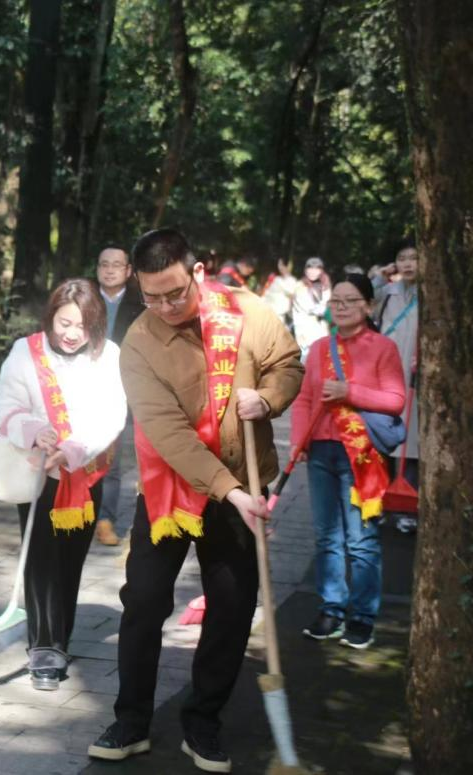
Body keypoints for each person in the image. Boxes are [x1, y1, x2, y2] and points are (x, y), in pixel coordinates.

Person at [87, 228, 303, 773]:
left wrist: (269, 398)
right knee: (143, 602)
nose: (164, 307)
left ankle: (203, 721)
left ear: (198, 273)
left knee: (232, 606)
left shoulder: (247, 311)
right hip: (171, 488)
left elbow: (288, 363)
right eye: (150, 297)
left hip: (242, 483)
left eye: (174, 294)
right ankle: (131, 720)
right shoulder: (139, 343)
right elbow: (170, 435)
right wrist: (230, 492)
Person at [0, 278, 125, 690]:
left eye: (81, 326)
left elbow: (112, 415)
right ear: (51, 317)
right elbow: (6, 405)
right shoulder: (25, 352)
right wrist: (34, 431)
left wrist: (72, 449)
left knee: (69, 562)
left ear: (95, 326)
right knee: (40, 561)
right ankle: (44, 648)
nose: (71, 334)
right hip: (39, 473)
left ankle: (59, 639)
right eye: (64, 323)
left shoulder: (109, 356)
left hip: (85, 474)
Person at [292, 273, 404, 649]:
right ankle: (331, 608)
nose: (340, 307)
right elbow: (304, 398)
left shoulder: (383, 347)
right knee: (327, 536)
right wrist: (298, 441)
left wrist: (349, 392)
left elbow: (395, 401)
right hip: (321, 450)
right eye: (335, 301)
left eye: (349, 301)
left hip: (362, 454)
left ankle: (363, 615)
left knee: (361, 539)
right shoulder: (319, 348)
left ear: (368, 306)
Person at [93, 245, 145, 546]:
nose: (109, 270)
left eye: (116, 265)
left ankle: (105, 519)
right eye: (104, 264)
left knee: (112, 459)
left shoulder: (142, 306)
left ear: (128, 271)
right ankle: (78, 514)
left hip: (123, 391)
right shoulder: (83, 300)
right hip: (85, 389)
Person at [372, 240, 419, 533]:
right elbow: (363, 297)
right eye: (402, 258)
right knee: (381, 438)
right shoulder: (387, 293)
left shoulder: (433, 293)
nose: (408, 263)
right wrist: (381, 275)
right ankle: (379, 500)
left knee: (411, 442)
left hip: (416, 378)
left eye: (414, 258)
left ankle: (407, 507)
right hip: (385, 375)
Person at [292, 256, 331, 357]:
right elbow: (312, 308)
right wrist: (327, 308)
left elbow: (327, 302)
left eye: (317, 268)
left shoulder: (325, 286)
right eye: (310, 268)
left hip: (322, 333)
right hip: (305, 334)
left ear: (321, 271)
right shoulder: (299, 286)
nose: (313, 272)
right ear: (305, 270)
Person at [261, 257, 298, 329]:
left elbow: (291, 297)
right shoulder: (276, 278)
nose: (280, 267)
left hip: (279, 315)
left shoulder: (292, 281)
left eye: (282, 265)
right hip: (266, 311)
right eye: (279, 265)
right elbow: (266, 293)